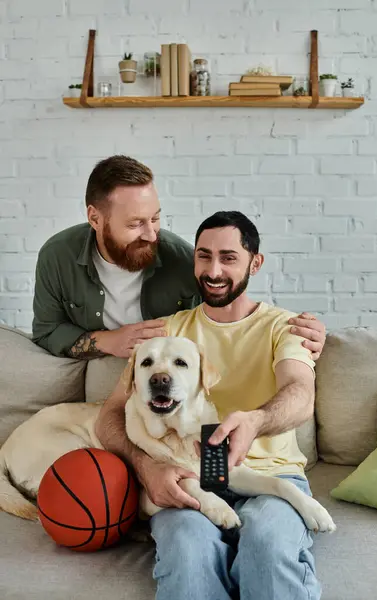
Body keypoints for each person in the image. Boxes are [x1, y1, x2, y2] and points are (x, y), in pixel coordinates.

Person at [95, 211, 325, 600]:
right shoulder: (165, 334)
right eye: (204, 256)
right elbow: (109, 416)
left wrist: (256, 420)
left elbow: (300, 392)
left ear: (256, 262)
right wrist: (146, 465)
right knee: (186, 555)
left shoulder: (284, 327)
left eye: (229, 257)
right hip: (185, 480)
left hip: (271, 477)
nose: (213, 270)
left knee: (268, 548)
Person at [32, 154, 324, 361]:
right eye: (135, 224)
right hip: (95, 365)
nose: (151, 234)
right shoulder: (57, 256)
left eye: (155, 218)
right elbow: (46, 332)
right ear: (95, 218)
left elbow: (226, 318)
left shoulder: (184, 259)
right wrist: (109, 341)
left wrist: (297, 335)